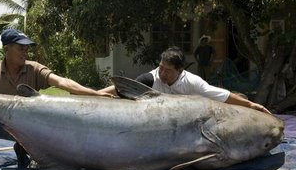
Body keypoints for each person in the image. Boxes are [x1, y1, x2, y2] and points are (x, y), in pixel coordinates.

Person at [0, 28, 113, 170]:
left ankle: (24, 149)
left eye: (27, 49)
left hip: (29, 128)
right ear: (6, 49)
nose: (25, 53)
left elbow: (62, 81)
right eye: (21, 48)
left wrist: (96, 93)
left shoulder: (33, 69)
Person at [99, 46, 270, 114]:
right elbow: (121, 88)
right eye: (161, 67)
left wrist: (252, 105)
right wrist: (94, 94)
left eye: (168, 70)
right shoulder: (150, 78)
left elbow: (222, 96)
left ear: (180, 70)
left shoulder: (193, 83)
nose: (162, 73)